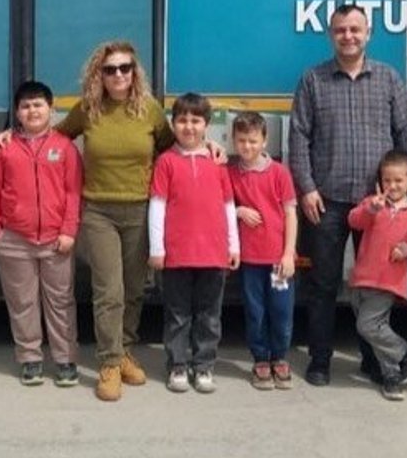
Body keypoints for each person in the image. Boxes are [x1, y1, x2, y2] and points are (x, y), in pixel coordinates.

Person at [288, 4, 407, 387]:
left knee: (372, 287)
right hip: (327, 200)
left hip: (379, 205)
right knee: (323, 285)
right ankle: (319, 360)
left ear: (368, 33)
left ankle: (374, 361)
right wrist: (307, 188)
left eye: (355, 29)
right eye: (340, 30)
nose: (348, 36)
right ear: (330, 34)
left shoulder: (388, 79)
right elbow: (299, 136)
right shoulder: (313, 80)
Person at [56, 41, 174, 402]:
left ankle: (124, 351)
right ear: (99, 75)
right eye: (110, 69)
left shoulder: (150, 110)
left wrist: (211, 149)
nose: (118, 74)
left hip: (140, 210)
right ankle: (109, 363)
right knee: (110, 290)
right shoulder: (87, 110)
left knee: (135, 289)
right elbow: (55, 139)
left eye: (125, 68)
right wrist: (4, 138)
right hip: (98, 212)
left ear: (134, 72)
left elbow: (174, 149)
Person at [0, 81, 82, 387]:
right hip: (14, 239)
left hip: (56, 240)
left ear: (51, 108)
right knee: (22, 302)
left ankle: (65, 359)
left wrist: (69, 230)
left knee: (60, 301)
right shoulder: (4, 147)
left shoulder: (64, 147)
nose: (32, 111)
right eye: (25, 106)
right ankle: (30, 358)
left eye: (38, 105)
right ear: (17, 112)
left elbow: (73, 192)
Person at [148, 93, 239, 394]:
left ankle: (204, 366)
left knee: (209, 316)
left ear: (207, 125)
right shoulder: (166, 162)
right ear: (173, 124)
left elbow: (228, 205)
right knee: (177, 315)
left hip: (213, 254)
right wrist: (157, 248)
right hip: (177, 254)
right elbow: (157, 205)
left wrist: (233, 246)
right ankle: (177, 364)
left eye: (196, 121)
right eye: (182, 120)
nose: (189, 127)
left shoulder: (218, 163)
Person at [346, 150, 407, 401]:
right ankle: (388, 374)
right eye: (387, 181)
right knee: (375, 330)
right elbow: (354, 221)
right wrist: (371, 209)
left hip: (388, 281)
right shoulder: (373, 204)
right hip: (362, 277)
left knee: (369, 325)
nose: (392, 186)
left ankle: (404, 355)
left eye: (398, 181)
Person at [227, 111, 298, 391]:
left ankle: (279, 357)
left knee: (281, 311)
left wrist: (288, 253)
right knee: (255, 311)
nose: (247, 146)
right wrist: (238, 211)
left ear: (265, 141)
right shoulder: (230, 173)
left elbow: (290, 214)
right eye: (241, 140)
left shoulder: (279, 172)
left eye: (253, 140)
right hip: (250, 260)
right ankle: (260, 359)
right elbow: (220, 206)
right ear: (233, 141)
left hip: (278, 260)